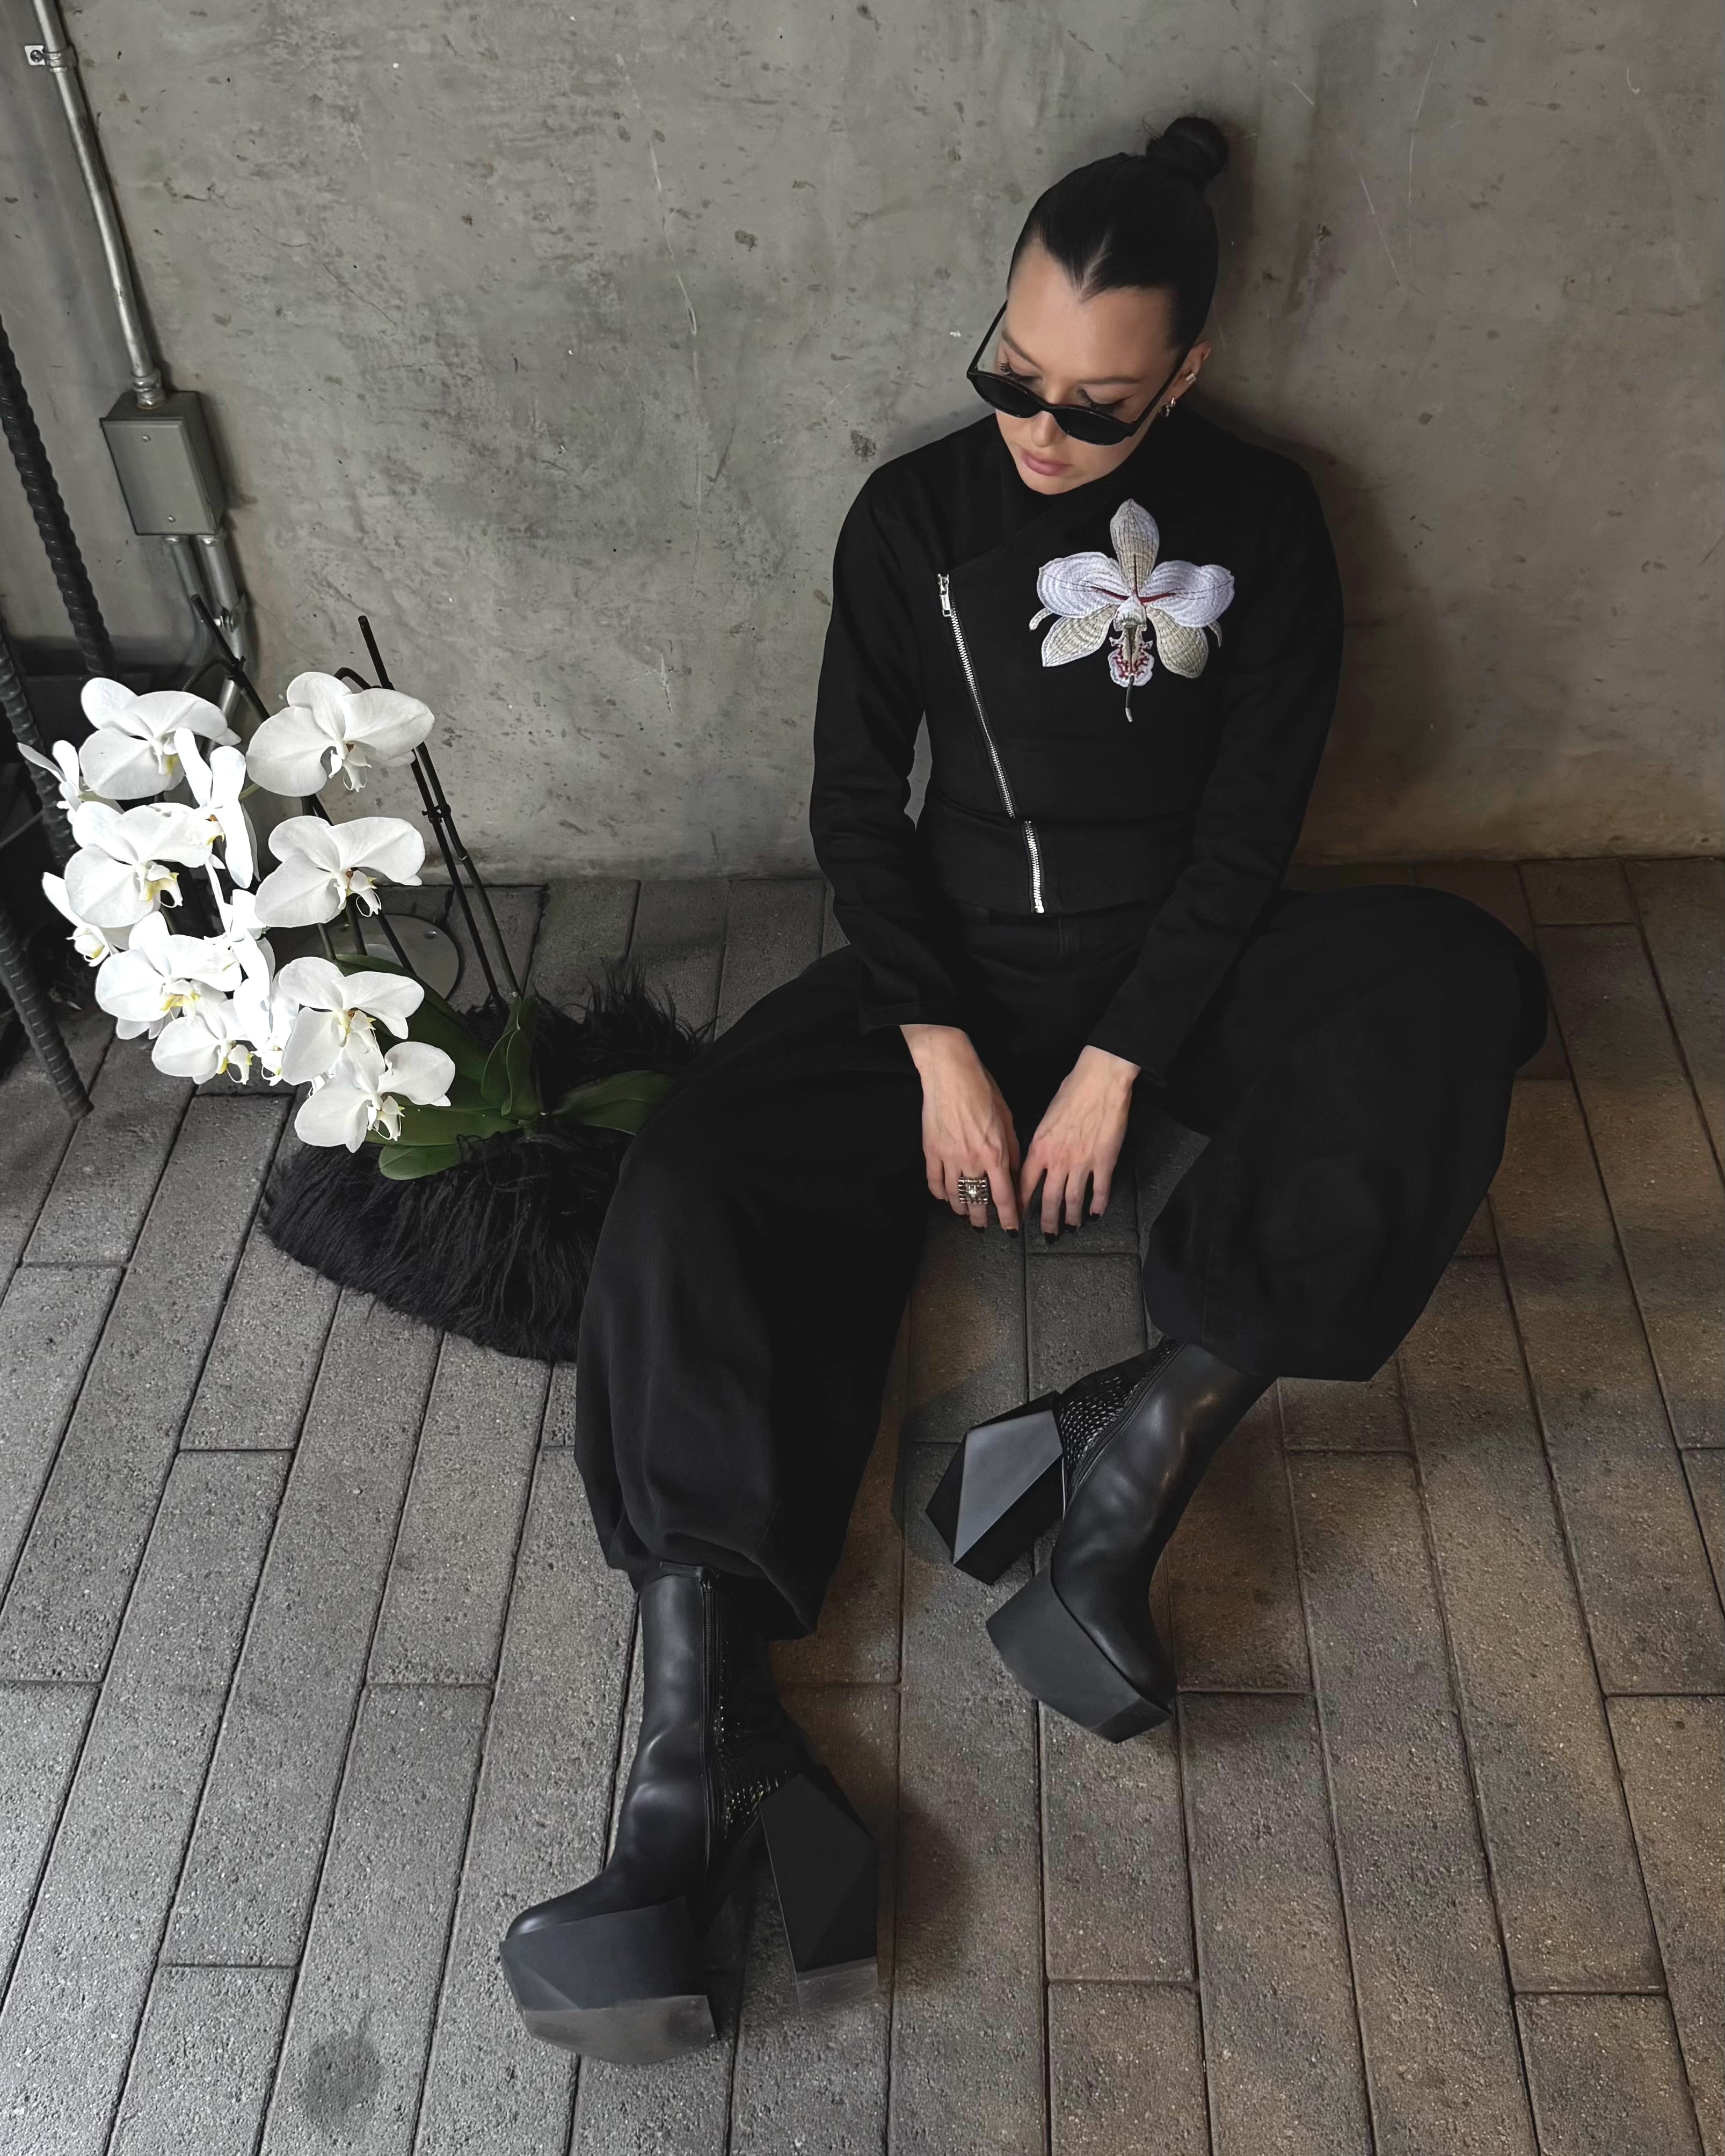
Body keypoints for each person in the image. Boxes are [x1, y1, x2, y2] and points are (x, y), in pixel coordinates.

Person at [497, 114, 1549, 2064]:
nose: (1042, 429)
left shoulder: (1269, 523)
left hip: (1187, 969)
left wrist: (1120, 1066)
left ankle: (1136, 1448)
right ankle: (697, 1739)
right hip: (958, 970)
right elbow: (853, 808)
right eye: (1015, 374)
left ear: (1186, 377)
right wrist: (942, 1051)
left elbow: (1250, 833)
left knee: (1459, 984)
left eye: (1097, 404)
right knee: (696, 1170)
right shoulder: (913, 522)